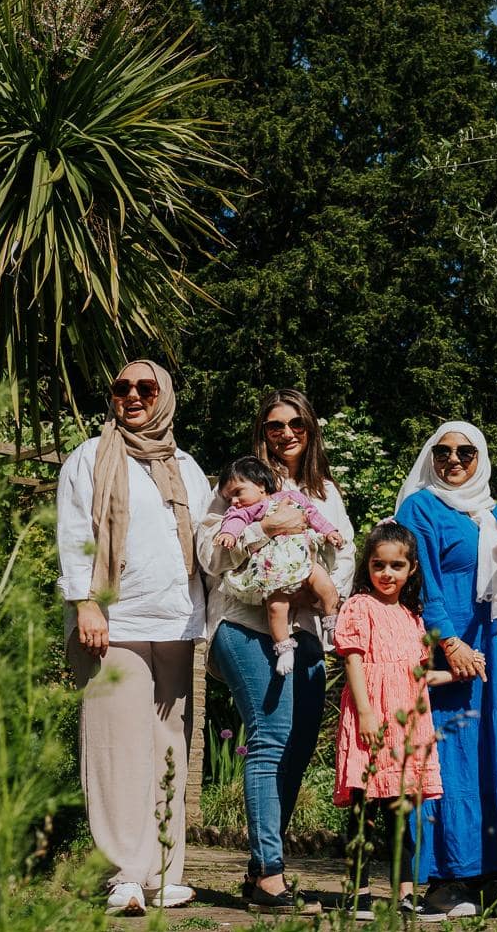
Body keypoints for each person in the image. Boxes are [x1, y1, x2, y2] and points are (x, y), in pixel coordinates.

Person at [56, 360, 212, 917]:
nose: (132, 396)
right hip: (112, 623)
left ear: (165, 395)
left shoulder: (186, 466)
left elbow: (207, 542)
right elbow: (75, 534)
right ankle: (124, 873)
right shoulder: (90, 458)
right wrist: (86, 604)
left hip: (175, 621)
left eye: (145, 388)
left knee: (167, 745)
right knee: (115, 747)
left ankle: (164, 869)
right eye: (121, 387)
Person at [197, 388, 356, 915]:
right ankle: (269, 873)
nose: (286, 434)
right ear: (261, 431)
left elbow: (345, 552)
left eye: (296, 426)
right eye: (274, 426)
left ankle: (261, 869)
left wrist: (318, 587)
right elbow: (207, 552)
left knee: (298, 745)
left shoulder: (325, 491)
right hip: (244, 621)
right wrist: (265, 526)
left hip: (305, 627)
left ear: (310, 432)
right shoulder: (239, 480)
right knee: (270, 737)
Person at [394, 421, 497, 919]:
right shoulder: (419, 507)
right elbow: (423, 584)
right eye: (443, 451)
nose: (453, 460)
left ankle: (488, 879)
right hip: (451, 646)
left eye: (465, 451)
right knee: (452, 754)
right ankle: (445, 880)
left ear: (481, 457)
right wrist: (450, 642)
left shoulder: (493, 511)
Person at [332, 522, 455, 922]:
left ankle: (404, 892)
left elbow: (415, 674)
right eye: (378, 565)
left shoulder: (410, 616)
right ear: (367, 566)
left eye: (396, 566)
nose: (387, 574)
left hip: (407, 723)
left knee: (401, 810)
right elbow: (352, 659)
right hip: (370, 718)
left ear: (411, 569)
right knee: (364, 806)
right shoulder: (359, 607)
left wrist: (458, 673)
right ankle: (358, 891)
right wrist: (366, 711)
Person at [212, 455, 345, 675]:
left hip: (304, 559)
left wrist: (330, 532)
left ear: (261, 485)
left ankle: (331, 623)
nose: (233, 501)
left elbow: (313, 515)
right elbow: (234, 520)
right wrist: (228, 533)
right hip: (274, 570)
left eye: (238, 492)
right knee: (276, 608)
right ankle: (283, 647)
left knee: (327, 588)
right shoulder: (247, 511)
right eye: (228, 498)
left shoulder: (292, 497)